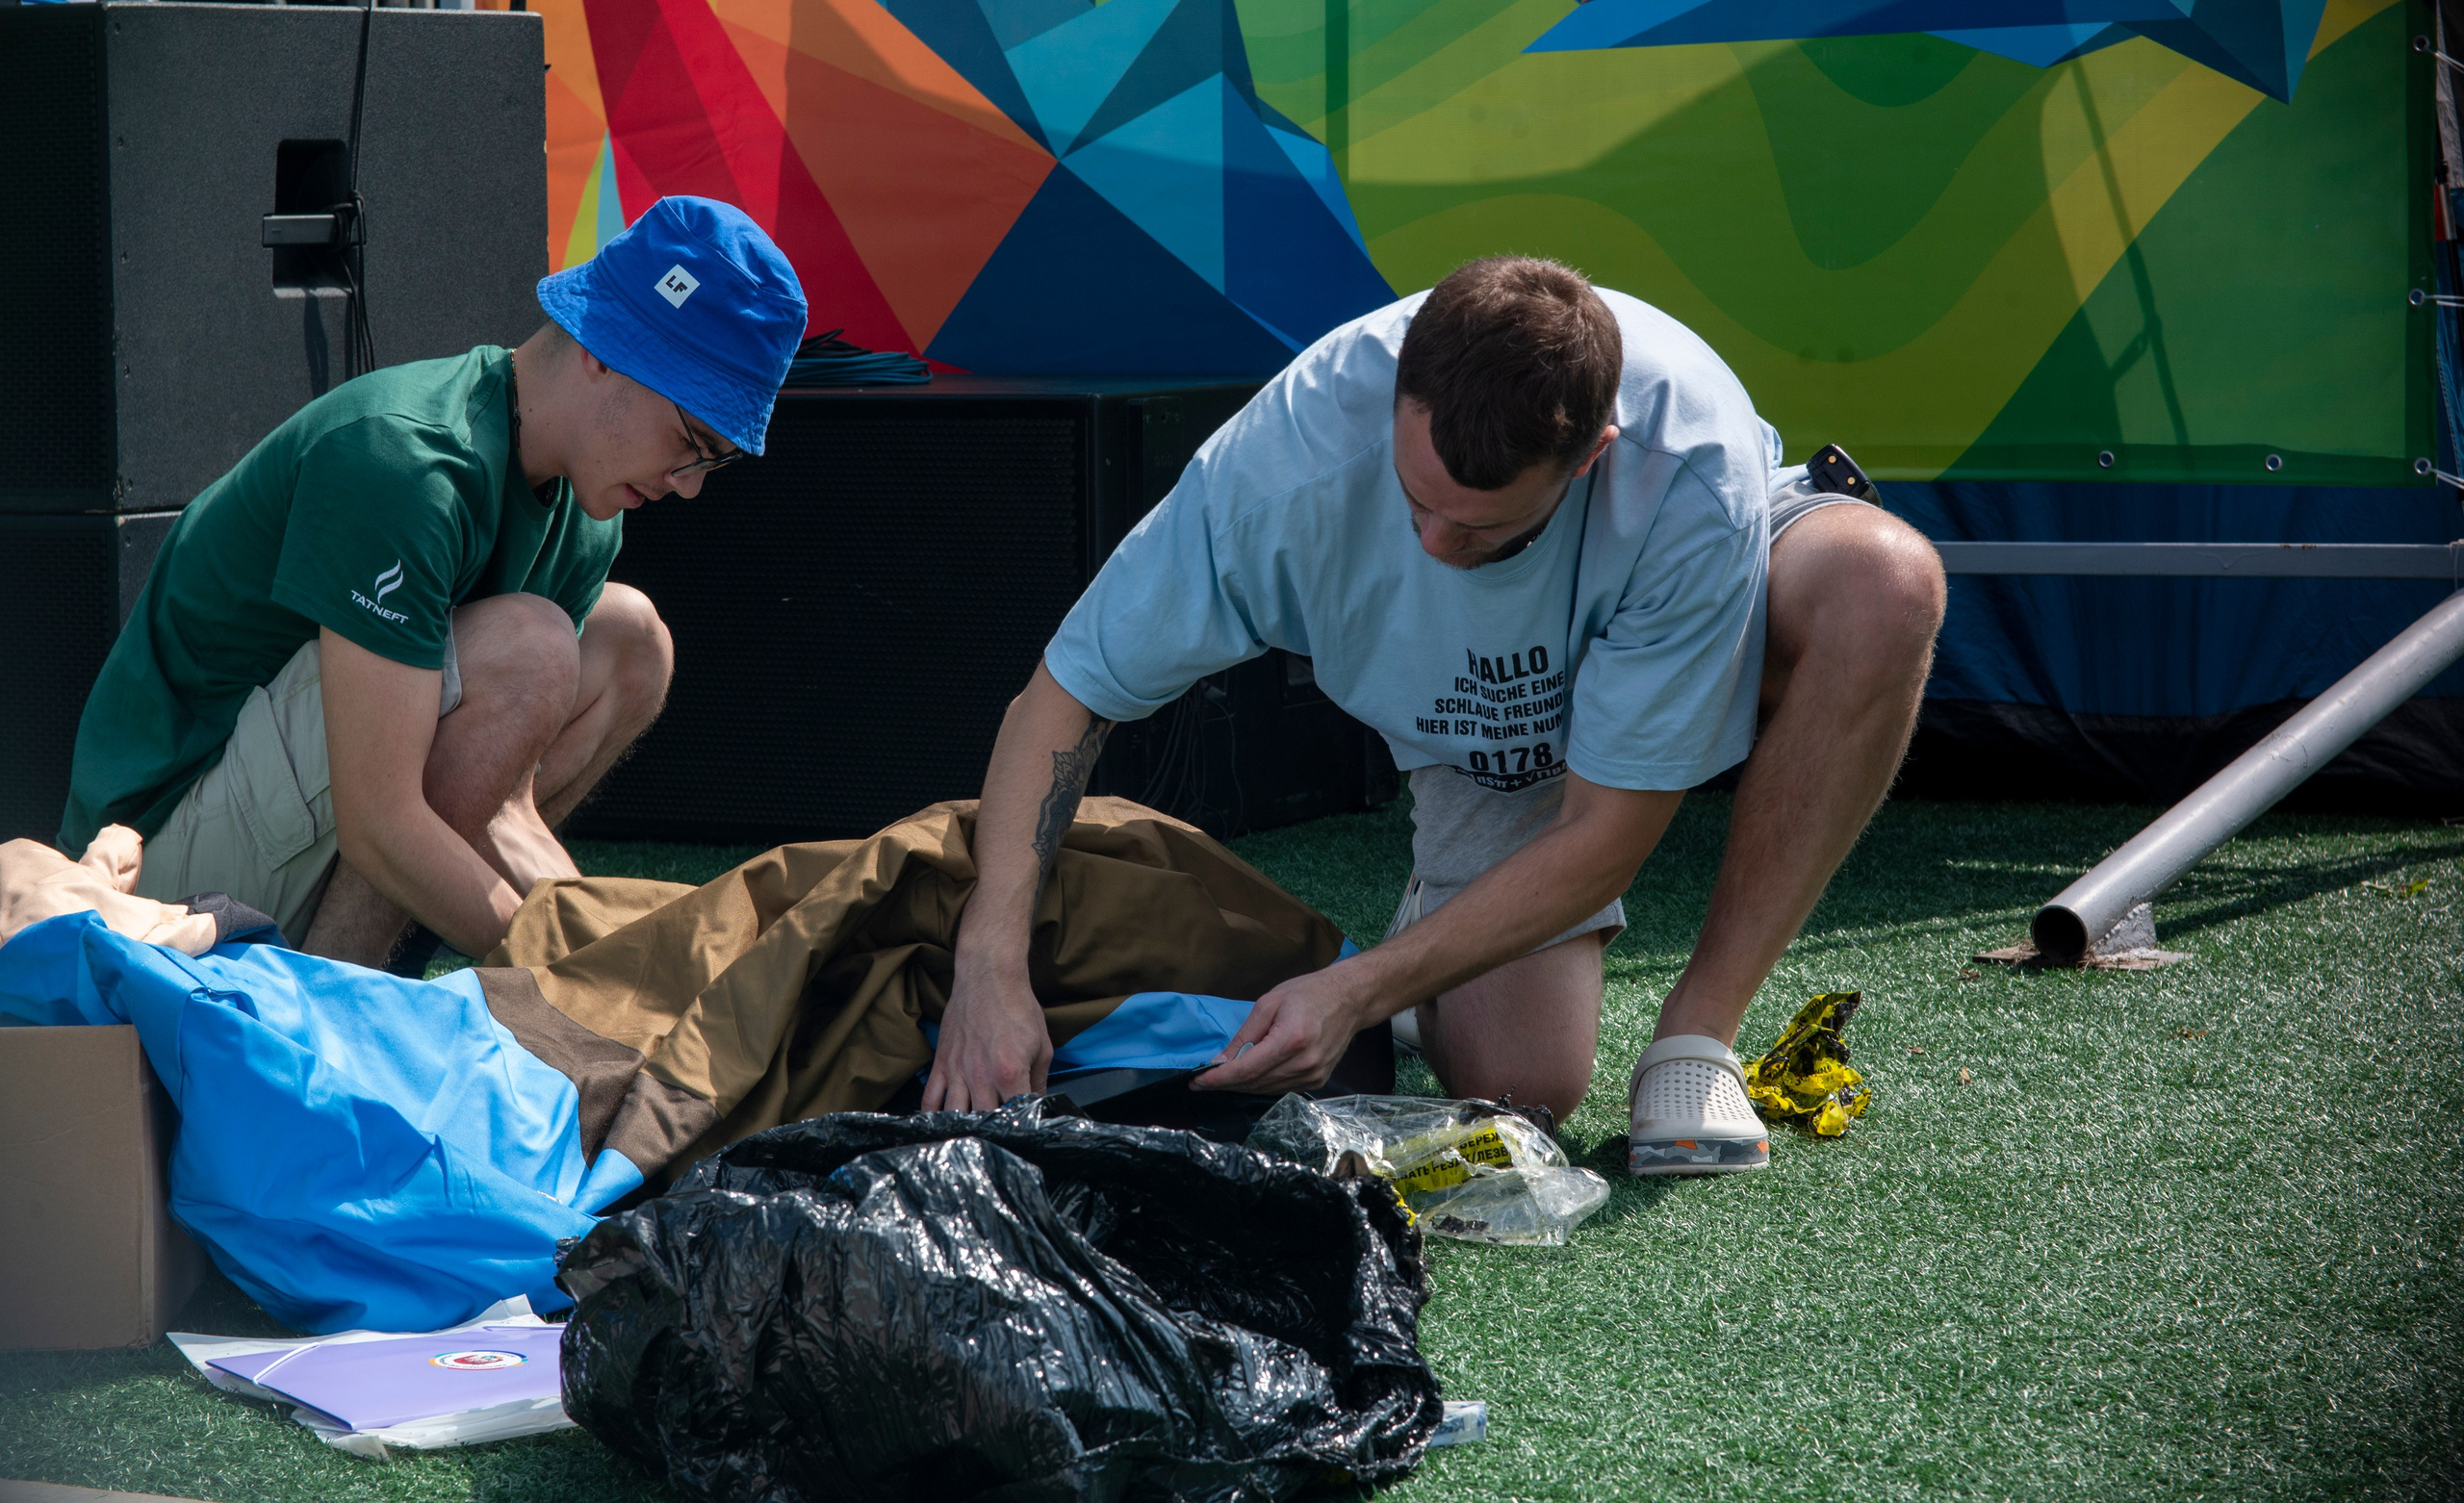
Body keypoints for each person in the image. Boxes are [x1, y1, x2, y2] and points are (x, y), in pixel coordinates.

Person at [924, 256, 1944, 1175]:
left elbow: (1606, 836)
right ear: (1394, 399)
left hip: (1691, 622)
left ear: (1589, 456)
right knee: (1523, 1087)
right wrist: (988, 964)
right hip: (1486, 732)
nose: (1433, 543)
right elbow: (1064, 693)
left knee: (1883, 586)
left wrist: (1354, 989)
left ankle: (1695, 1037)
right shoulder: (1281, 464)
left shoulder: (1692, 464)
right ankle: (1433, 955)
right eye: (1416, 500)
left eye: (1481, 523)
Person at [58, 195, 806, 969]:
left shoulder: (591, 518)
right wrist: (577, 980)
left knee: (632, 642)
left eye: (713, 459)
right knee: (537, 649)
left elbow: (497, 804)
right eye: (690, 440)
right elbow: (380, 822)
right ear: (605, 350)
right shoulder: (406, 460)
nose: (689, 486)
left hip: (296, 835)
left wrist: (629, 953)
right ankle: (327, 1011)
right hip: (138, 886)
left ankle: (376, 966)